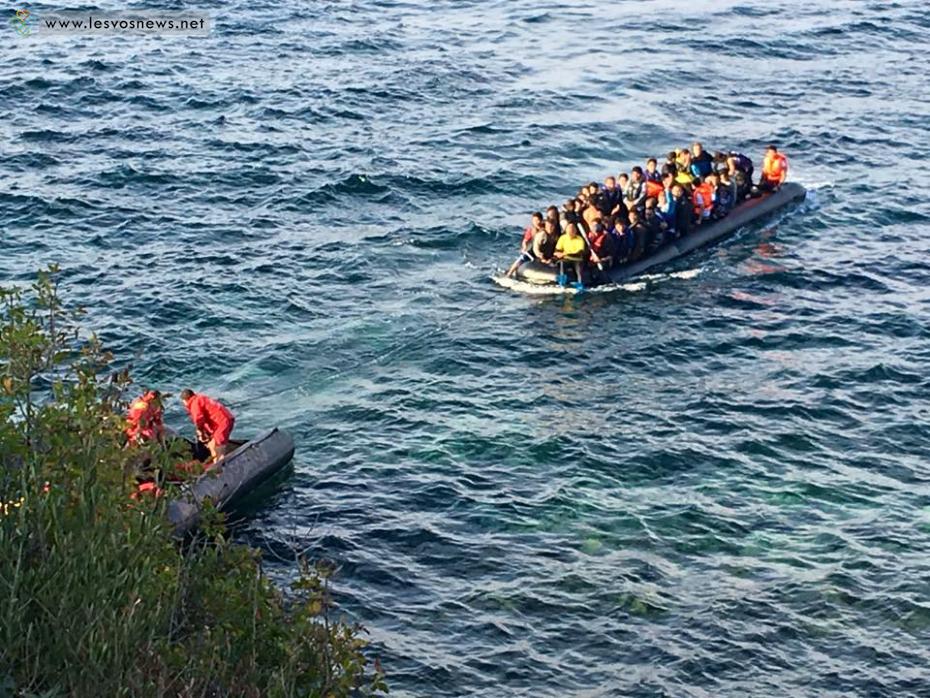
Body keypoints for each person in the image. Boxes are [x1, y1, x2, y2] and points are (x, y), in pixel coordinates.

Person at [180, 389, 236, 463]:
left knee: (219, 446)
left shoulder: (194, 404)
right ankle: (216, 463)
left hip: (221, 423)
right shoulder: (201, 398)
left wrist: (200, 431)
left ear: (185, 400)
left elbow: (199, 419)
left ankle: (221, 468)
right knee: (212, 444)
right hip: (225, 419)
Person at [506, 212, 545, 277]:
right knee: (521, 259)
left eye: (538, 220)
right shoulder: (531, 230)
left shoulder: (544, 229)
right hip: (530, 250)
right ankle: (509, 273)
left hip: (540, 251)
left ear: (541, 220)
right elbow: (525, 241)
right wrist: (524, 248)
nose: (536, 222)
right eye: (534, 220)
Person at [553, 222, 588, 286]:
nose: (571, 230)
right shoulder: (562, 238)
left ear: (575, 231)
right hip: (566, 259)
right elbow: (557, 250)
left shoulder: (579, 239)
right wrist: (558, 254)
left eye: (573, 229)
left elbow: (579, 253)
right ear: (566, 230)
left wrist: (564, 254)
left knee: (579, 269)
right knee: (562, 263)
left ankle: (580, 285)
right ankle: (562, 283)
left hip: (577, 259)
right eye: (569, 228)